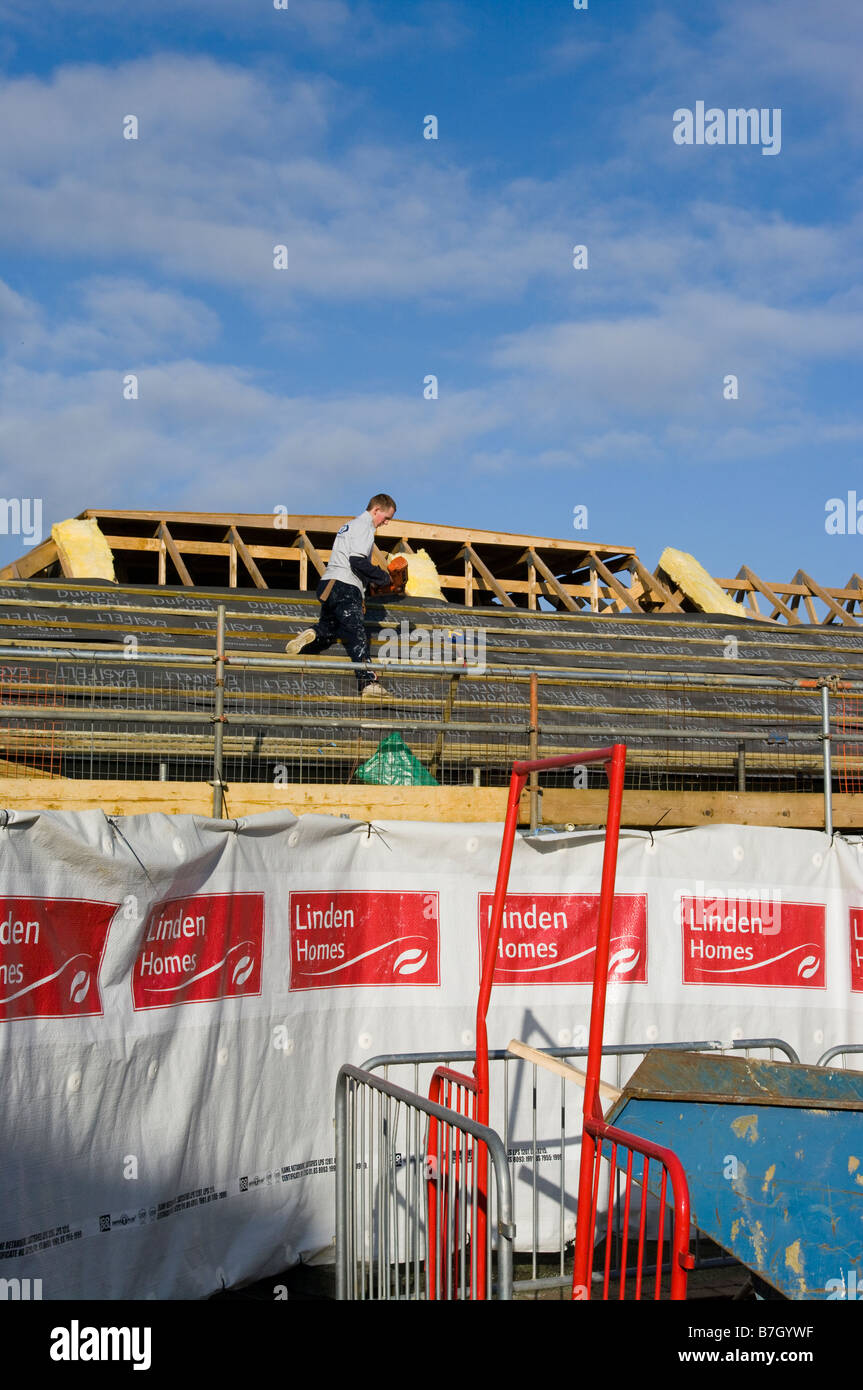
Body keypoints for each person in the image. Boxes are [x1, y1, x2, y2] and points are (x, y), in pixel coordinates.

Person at [285, 494, 399, 699]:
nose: (386, 522)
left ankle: (312, 632)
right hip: (346, 586)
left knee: (330, 627)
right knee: (357, 634)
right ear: (376, 510)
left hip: (329, 584)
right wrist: (383, 577)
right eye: (386, 517)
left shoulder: (348, 526)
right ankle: (369, 684)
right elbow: (357, 561)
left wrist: (370, 580)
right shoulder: (365, 527)